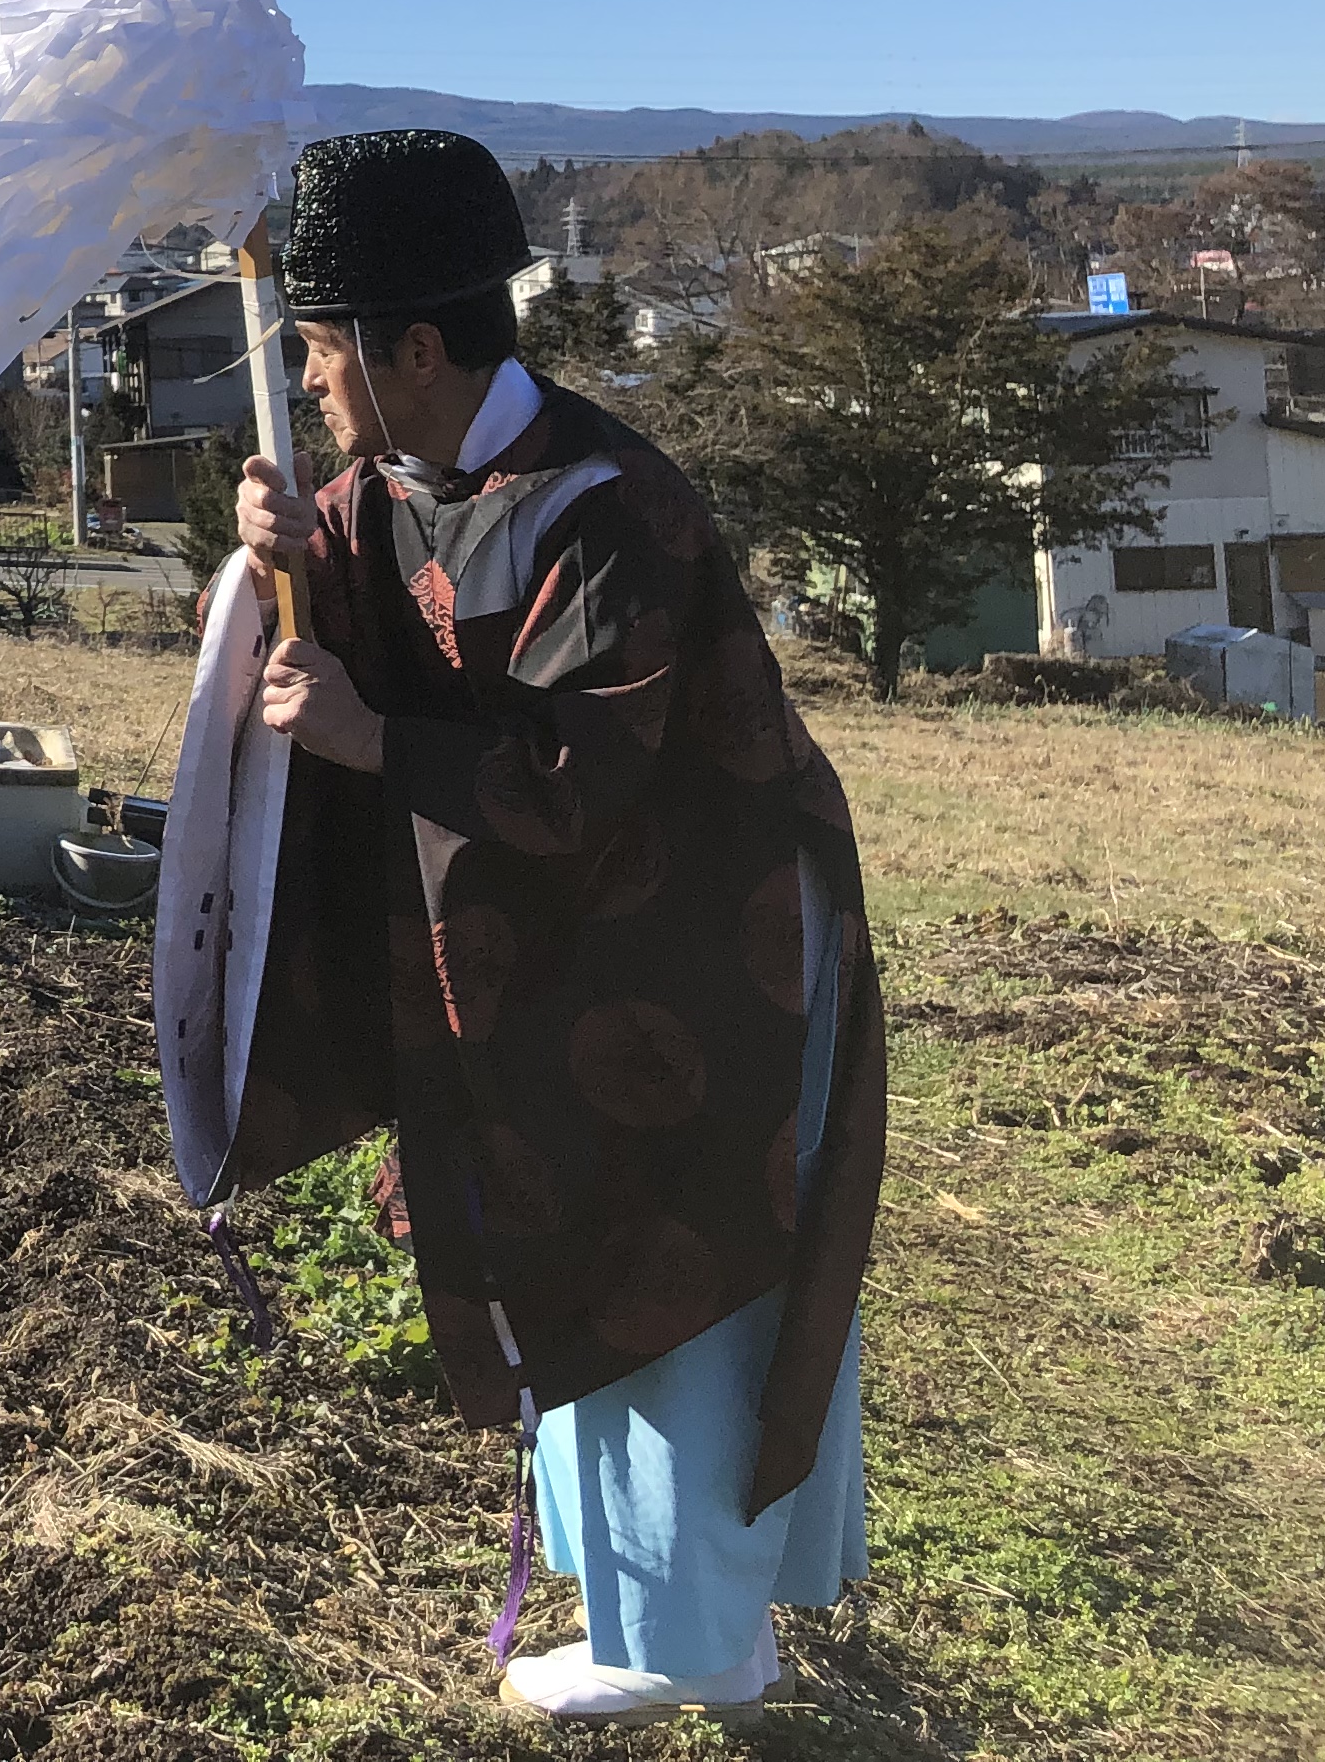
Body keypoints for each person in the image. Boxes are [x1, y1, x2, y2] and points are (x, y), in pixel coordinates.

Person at [158, 130, 881, 1720]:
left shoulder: (610, 508)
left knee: (674, 1281)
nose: (310, 380)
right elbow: (354, 603)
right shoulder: (411, 487)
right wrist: (281, 551)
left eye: (323, 352)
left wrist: (370, 739)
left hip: (705, 957)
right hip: (571, 966)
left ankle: (689, 1646)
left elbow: (577, 776)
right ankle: (680, 1622)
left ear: (416, 347)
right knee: (567, 1252)